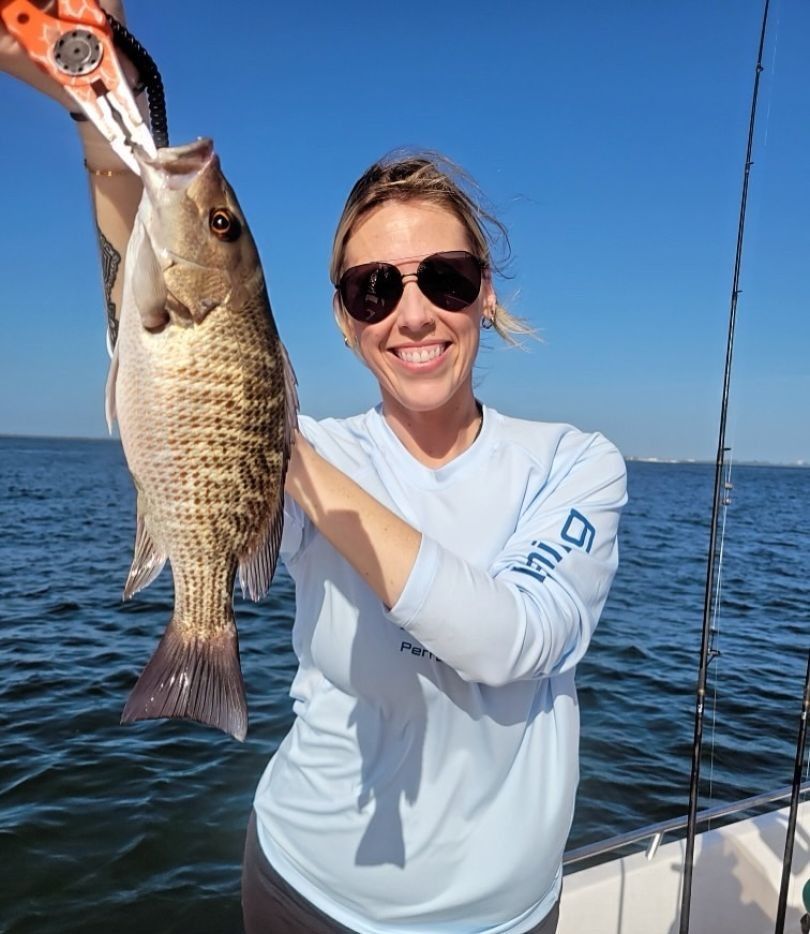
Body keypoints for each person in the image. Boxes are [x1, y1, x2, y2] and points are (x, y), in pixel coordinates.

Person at [2, 9, 627, 933]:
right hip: (303, 885)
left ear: (484, 294)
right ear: (344, 319)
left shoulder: (577, 465)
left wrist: (264, 432)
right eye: (375, 288)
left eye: (445, 279)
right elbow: (151, 319)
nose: (412, 314)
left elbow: (513, 645)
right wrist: (102, 111)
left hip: (502, 917)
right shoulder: (316, 451)